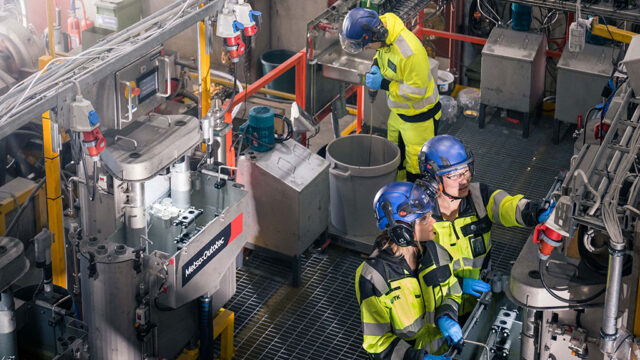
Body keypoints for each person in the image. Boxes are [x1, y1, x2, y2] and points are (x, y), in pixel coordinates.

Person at [418, 135, 549, 317]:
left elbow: (507, 206)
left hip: (479, 297)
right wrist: (458, 284)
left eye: (465, 171)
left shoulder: (480, 196)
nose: (463, 181)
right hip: (441, 306)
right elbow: (415, 268)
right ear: (432, 179)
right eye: (453, 175)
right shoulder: (420, 218)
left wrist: (534, 211)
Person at [355, 181, 463, 359]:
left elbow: (452, 291)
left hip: (443, 352)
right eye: (423, 218)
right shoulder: (373, 276)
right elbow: (377, 342)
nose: (433, 221)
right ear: (401, 230)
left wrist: (446, 315)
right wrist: (417, 358)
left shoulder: (436, 252)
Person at [340, 8, 441, 182]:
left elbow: (417, 91)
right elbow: (380, 54)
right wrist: (375, 66)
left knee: (417, 170)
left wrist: (384, 84)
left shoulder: (410, 53)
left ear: (376, 36)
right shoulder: (382, 28)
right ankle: (398, 197)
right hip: (398, 113)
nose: (368, 49)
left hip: (419, 120)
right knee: (397, 160)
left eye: (368, 45)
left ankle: (415, 204)